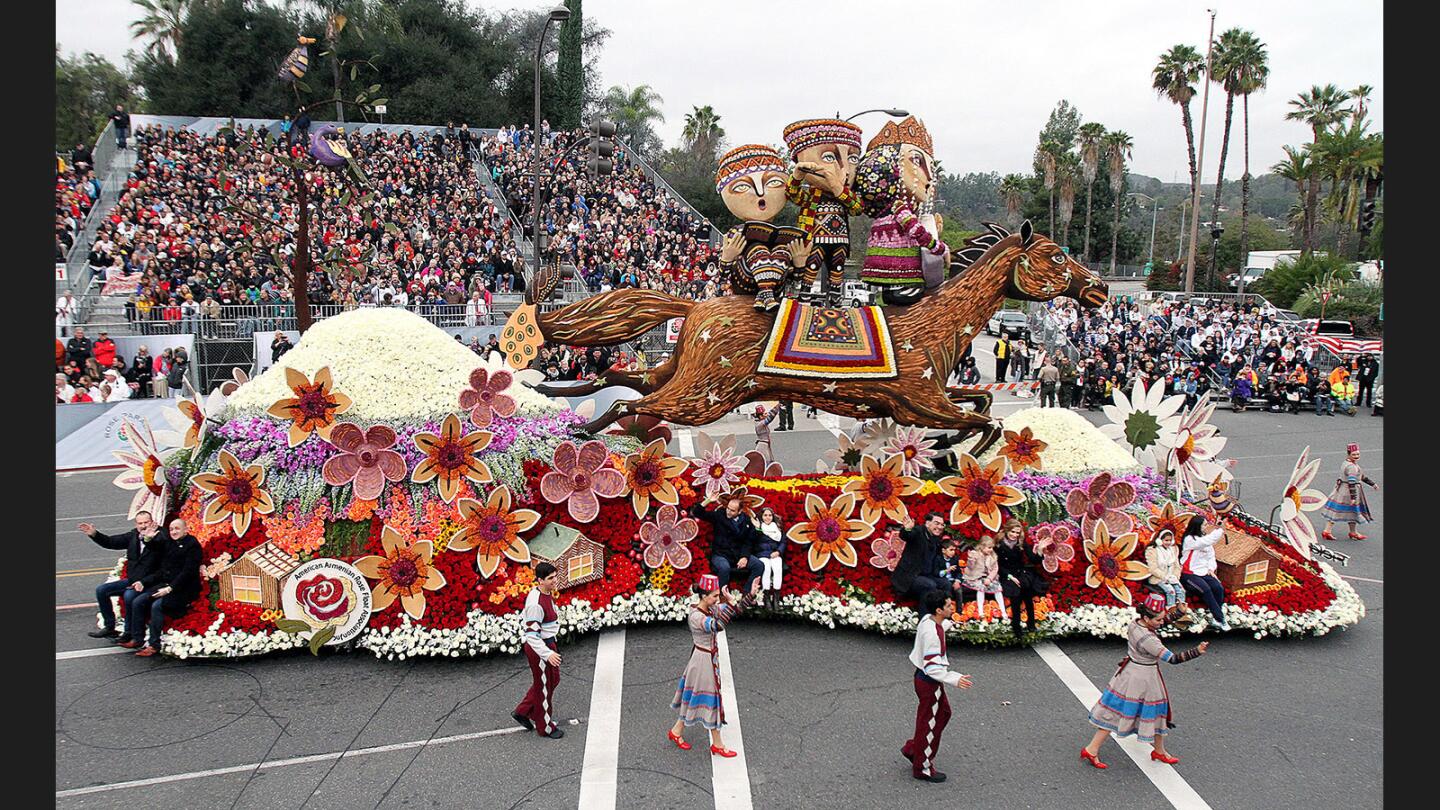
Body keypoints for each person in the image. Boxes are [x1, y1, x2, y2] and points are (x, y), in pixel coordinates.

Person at [1080, 592, 1210, 769]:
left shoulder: (1136, 625)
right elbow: (1173, 659)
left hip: (1130, 673)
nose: (1162, 622)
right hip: (1144, 679)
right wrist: (1197, 651)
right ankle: (1095, 748)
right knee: (1151, 712)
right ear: (1148, 618)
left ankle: (1095, 748)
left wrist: (1178, 612)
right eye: (1158, 620)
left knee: (1119, 711)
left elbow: (1161, 621)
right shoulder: (1149, 640)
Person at [668, 573, 763, 756]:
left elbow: (735, 611)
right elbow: (718, 626)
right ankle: (717, 744)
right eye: (714, 595)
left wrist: (750, 594)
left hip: (704, 659)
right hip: (703, 661)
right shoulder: (696, 616)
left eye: (718, 595)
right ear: (703, 596)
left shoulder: (710, 608)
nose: (717, 598)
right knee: (712, 699)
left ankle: (676, 731)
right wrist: (731, 603)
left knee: (696, 697)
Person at [902, 589, 973, 782]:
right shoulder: (933, 635)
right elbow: (933, 668)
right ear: (939, 610)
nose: (952, 607)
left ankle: (914, 749)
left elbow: (938, 627)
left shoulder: (928, 620)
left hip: (923, 679)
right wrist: (955, 678)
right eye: (949, 606)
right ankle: (922, 767)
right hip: (929, 682)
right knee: (930, 723)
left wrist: (952, 623)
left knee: (942, 714)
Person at [78, 512, 166, 639]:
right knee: (102, 590)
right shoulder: (133, 536)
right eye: (140, 523)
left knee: (129, 596)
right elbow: (111, 542)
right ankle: (109, 627)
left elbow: (161, 550)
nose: (143, 526)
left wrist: (149, 538)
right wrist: (94, 534)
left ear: (152, 522)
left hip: (150, 583)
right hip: (133, 581)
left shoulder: (161, 537)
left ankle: (129, 632)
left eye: (146, 522)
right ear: (136, 525)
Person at [123, 519, 202, 657]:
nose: (174, 532)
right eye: (171, 529)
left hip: (183, 588)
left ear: (186, 529)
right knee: (138, 601)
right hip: (166, 584)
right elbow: (162, 569)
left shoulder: (192, 545)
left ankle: (154, 645)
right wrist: (143, 581)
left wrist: (170, 589)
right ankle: (137, 638)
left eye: (177, 529)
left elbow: (188, 572)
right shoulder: (170, 543)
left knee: (157, 606)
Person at [513, 562, 566, 738]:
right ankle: (545, 727)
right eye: (550, 578)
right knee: (544, 687)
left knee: (551, 680)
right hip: (541, 648)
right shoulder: (536, 604)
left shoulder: (544, 593)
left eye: (555, 576)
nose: (555, 581)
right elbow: (532, 636)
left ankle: (523, 710)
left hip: (548, 644)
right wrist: (548, 654)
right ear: (540, 580)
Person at [690, 497, 765, 592]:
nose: (728, 512)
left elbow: (749, 541)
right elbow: (698, 513)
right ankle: (721, 596)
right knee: (724, 568)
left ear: (740, 511)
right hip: (721, 554)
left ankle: (747, 594)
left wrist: (744, 557)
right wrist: (708, 500)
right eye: (728, 508)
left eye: (732, 510)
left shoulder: (746, 520)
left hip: (738, 554)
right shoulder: (720, 515)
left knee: (759, 565)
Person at [996, 518, 1047, 638]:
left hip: (1020, 572)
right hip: (1006, 574)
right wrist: (1010, 576)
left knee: (1027, 591)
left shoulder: (1021, 543)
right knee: (1016, 594)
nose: (1015, 535)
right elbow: (998, 565)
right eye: (1012, 532)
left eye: (1017, 533)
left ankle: (1031, 623)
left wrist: (1039, 550)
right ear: (1007, 531)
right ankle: (1016, 625)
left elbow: (1034, 560)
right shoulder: (999, 544)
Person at [1178, 515, 1230, 631]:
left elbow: (1211, 556)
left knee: (1218, 588)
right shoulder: (1190, 539)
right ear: (1197, 526)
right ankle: (1220, 618)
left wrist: (1211, 569)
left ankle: (1215, 617)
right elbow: (1206, 541)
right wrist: (1220, 529)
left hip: (1204, 572)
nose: (1206, 527)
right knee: (1206, 590)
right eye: (1204, 525)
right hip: (1189, 574)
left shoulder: (1204, 538)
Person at [1321, 443, 1379, 541]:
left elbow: (1361, 476)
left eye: (1358, 454)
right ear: (1349, 454)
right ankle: (1329, 531)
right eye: (1354, 455)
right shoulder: (1352, 467)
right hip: (1348, 492)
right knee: (1341, 511)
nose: (1356, 456)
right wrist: (1353, 497)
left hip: (1342, 489)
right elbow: (1352, 481)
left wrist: (1372, 484)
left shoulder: (1346, 463)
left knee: (1347, 512)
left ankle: (1349, 532)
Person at [891, 512, 948, 601]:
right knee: (929, 585)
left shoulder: (936, 539)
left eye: (942, 525)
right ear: (927, 523)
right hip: (910, 575)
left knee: (946, 583)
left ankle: (943, 610)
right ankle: (925, 614)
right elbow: (907, 535)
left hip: (927, 575)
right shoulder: (918, 531)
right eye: (936, 523)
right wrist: (907, 529)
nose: (940, 527)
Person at [961, 534, 1008, 624]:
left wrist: (990, 578)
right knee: (981, 587)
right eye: (988, 548)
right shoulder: (976, 554)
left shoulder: (993, 556)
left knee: (998, 588)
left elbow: (995, 569)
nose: (990, 550)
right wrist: (971, 559)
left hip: (989, 577)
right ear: (982, 547)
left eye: (991, 548)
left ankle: (1003, 611)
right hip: (976, 576)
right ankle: (981, 611)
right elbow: (970, 567)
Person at [754, 507, 786, 609]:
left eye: (769, 515)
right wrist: (758, 529)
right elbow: (755, 542)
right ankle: (766, 597)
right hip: (763, 554)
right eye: (765, 515)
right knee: (766, 569)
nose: (768, 517)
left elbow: (783, 542)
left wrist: (778, 552)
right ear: (762, 517)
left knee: (777, 569)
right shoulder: (758, 527)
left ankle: (776, 598)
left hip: (775, 554)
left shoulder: (778, 528)